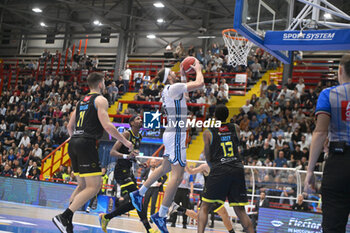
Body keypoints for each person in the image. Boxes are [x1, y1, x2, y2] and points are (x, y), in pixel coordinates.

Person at [130, 59, 204, 233]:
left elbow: (185, 95)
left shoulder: (168, 90)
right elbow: (199, 83)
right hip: (176, 135)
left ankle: (139, 193)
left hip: (170, 133)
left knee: (164, 168)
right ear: (169, 78)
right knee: (177, 177)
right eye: (172, 73)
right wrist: (198, 69)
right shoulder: (173, 88)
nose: (175, 73)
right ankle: (161, 214)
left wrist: (185, 76)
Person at [52, 72, 133, 233]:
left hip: (73, 142)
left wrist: (76, 139)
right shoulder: (100, 100)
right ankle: (64, 216)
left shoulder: (80, 101)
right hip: (86, 143)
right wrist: (125, 142)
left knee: (82, 185)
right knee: (95, 186)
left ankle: (68, 222)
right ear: (101, 84)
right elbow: (107, 126)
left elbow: (69, 127)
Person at [305, 54, 350, 233]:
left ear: (340, 70)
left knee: (332, 227)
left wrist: (310, 170)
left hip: (339, 163)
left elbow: (320, 132)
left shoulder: (328, 94)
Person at [198, 105, 254, 233]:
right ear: (228, 115)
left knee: (205, 206)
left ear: (215, 117)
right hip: (236, 168)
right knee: (240, 210)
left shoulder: (208, 132)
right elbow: (236, 144)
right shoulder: (236, 128)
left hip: (220, 168)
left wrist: (215, 168)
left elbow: (208, 157)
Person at [99, 115, 157, 233]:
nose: (140, 120)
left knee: (136, 202)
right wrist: (126, 156)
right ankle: (149, 229)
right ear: (131, 123)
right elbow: (112, 152)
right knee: (137, 199)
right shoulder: (126, 134)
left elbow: (132, 155)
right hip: (120, 171)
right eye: (137, 119)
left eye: (141, 119)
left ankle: (106, 217)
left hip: (129, 171)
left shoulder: (139, 136)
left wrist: (139, 163)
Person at [170, 163, 237, 233]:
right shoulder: (206, 166)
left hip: (208, 195)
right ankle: (232, 232)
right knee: (223, 214)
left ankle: (178, 208)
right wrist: (185, 164)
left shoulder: (220, 167)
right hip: (211, 195)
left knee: (199, 217)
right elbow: (191, 171)